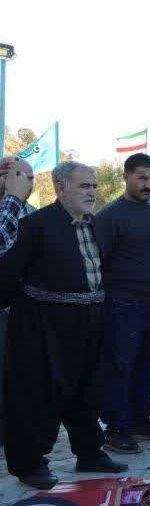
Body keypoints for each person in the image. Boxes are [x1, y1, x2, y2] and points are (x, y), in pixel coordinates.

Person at [0, 162, 130, 489]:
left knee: (88, 390)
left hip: (90, 322)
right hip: (43, 325)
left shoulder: (95, 224)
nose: (92, 192)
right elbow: (7, 278)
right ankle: (29, 464)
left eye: (94, 186)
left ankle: (89, 453)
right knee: (37, 394)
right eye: (84, 186)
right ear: (60, 189)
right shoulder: (35, 225)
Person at [94, 153, 150, 454]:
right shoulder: (109, 216)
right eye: (142, 178)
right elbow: (97, 263)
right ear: (126, 176)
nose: (148, 185)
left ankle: (140, 419)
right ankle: (116, 428)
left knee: (148, 365)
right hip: (121, 305)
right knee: (120, 367)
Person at [0, 157, 37, 447]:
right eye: (10, 173)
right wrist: (10, 197)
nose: (18, 180)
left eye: (25, 176)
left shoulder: (32, 215)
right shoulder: (11, 208)